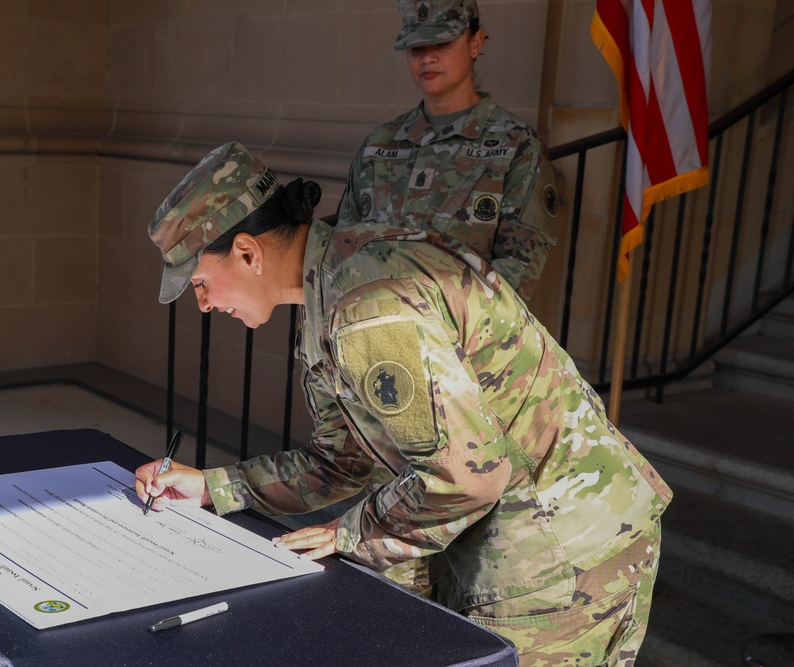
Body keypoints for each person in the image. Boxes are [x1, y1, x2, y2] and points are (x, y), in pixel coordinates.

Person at [138, 141, 672, 665]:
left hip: (560, 551)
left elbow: (466, 478)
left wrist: (352, 531)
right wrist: (213, 487)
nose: (204, 304)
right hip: (515, 541)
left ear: (248, 252)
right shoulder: (335, 284)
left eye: (202, 282)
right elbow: (340, 462)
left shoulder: (368, 309)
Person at [338, 0, 559, 302]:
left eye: (441, 43)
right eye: (416, 49)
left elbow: (513, 279)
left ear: (475, 43)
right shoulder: (380, 143)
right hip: (370, 331)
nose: (427, 58)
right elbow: (344, 247)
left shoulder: (517, 147)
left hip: (456, 343)